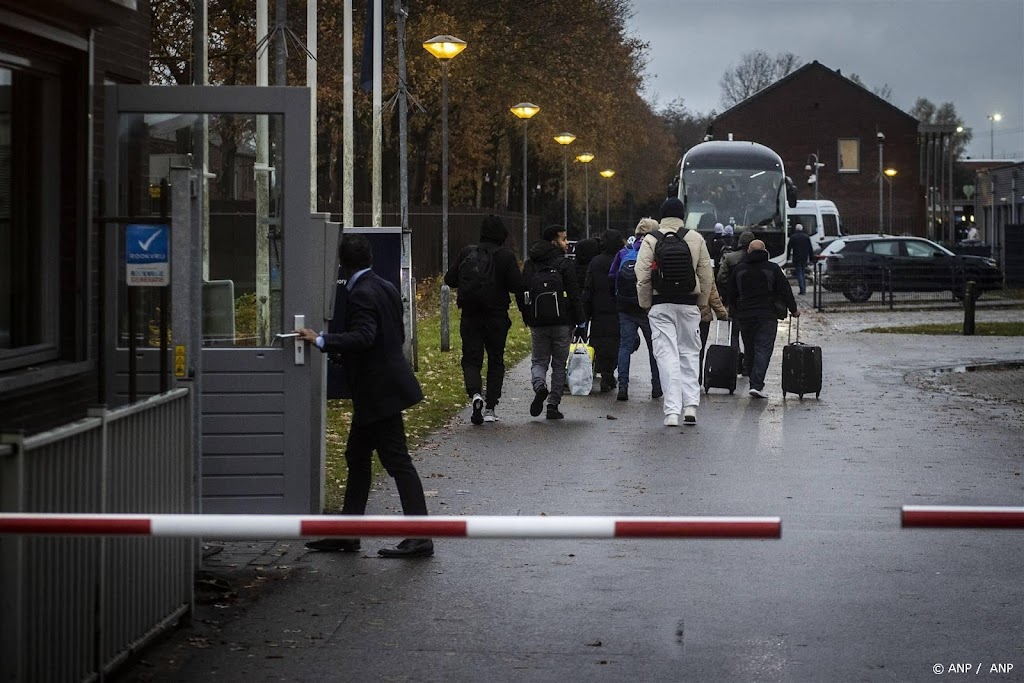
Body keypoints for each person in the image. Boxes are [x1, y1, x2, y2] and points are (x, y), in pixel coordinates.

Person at [298, 234, 434, 558]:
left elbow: (364, 336)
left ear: (342, 263)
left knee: (397, 461)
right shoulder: (384, 286)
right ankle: (347, 532)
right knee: (357, 458)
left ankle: (421, 536)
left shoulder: (359, 293)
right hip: (380, 389)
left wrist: (321, 341)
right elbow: (393, 334)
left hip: (377, 393)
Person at [636, 197, 713, 426]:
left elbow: (642, 276)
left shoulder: (651, 239)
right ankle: (690, 407)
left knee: (666, 356)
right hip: (688, 304)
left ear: (661, 215)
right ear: (682, 215)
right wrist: (701, 302)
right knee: (690, 354)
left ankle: (671, 412)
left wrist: (646, 303)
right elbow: (706, 275)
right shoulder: (695, 237)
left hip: (661, 304)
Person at [443, 214, 525, 425]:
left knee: (471, 359)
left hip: (470, 315)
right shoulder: (505, 256)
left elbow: (449, 279)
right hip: (496, 316)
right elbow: (517, 285)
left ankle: (475, 394)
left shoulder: (468, 253)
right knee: (495, 359)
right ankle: (490, 407)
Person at [519, 225, 584, 420]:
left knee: (539, 361)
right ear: (553, 241)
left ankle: (540, 386)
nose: (566, 244)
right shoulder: (564, 264)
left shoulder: (531, 263)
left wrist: (527, 316)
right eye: (564, 239)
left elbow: (522, 292)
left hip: (538, 322)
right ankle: (553, 405)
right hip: (562, 323)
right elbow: (574, 294)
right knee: (559, 364)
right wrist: (580, 321)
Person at [726, 239, 799, 399]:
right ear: (765, 251)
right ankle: (756, 384)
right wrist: (793, 309)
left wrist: (732, 311)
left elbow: (730, 293)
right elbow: (785, 290)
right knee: (763, 349)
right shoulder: (772, 269)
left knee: (750, 348)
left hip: (745, 316)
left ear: (749, 252)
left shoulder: (739, 269)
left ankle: (753, 379)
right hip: (767, 315)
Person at [610, 219, 663, 402]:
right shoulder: (655, 251)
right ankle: (656, 387)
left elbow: (612, 276)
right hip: (648, 308)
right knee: (653, 348)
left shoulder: (624, 252)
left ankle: (623, 387)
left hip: (625, 307)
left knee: (625, 346)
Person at [583, 229, 624, 392]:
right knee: (617, 342)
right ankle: (611, 372)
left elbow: (588, 287)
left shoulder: (595, 261)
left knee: (599, 341)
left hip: (599, 308)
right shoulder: (622, 258)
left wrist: (585, 311)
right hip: (618, 307)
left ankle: (604, 371)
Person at [717, 229, 756, 372]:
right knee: (750, 335)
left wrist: (727, 293)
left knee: (734, 334)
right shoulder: (757, 259)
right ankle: (748, 365)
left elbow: (721, 278)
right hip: (752, 303)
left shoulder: (730, 258)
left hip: (735, 302)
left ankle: (734, 362)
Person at [698, 280, 730, 383]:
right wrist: (722, 313)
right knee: (699, 349)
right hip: (702, 316)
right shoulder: (703, 265)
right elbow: (712, 293)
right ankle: (696, 378)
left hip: (682, 315)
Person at [786, 223, 814, 295]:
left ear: (796, 229)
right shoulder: (806, 237)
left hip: (796, 257)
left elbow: (789, 248)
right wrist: (811, 258)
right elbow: (810, 248)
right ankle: (804, 288)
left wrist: (787, 257)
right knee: (803, 272)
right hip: (804, 257)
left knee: (799, 273)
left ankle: (802, 289)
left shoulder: (793, 237)